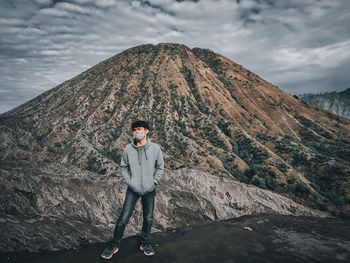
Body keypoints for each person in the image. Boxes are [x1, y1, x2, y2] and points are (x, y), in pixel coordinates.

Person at [101, 120, 164, 259]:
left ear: (146, 131)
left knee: (148, 218)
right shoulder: (128, 149)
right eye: (134, 130)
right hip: (133, 189)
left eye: (139, 129)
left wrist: (153, 182)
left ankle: (145, 243)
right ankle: (114, 245)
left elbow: (160, 167)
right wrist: (130, 182)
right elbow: (123, 167)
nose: (136, 132)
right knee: (123, 218)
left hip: (149, 189)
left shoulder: (155, 148)